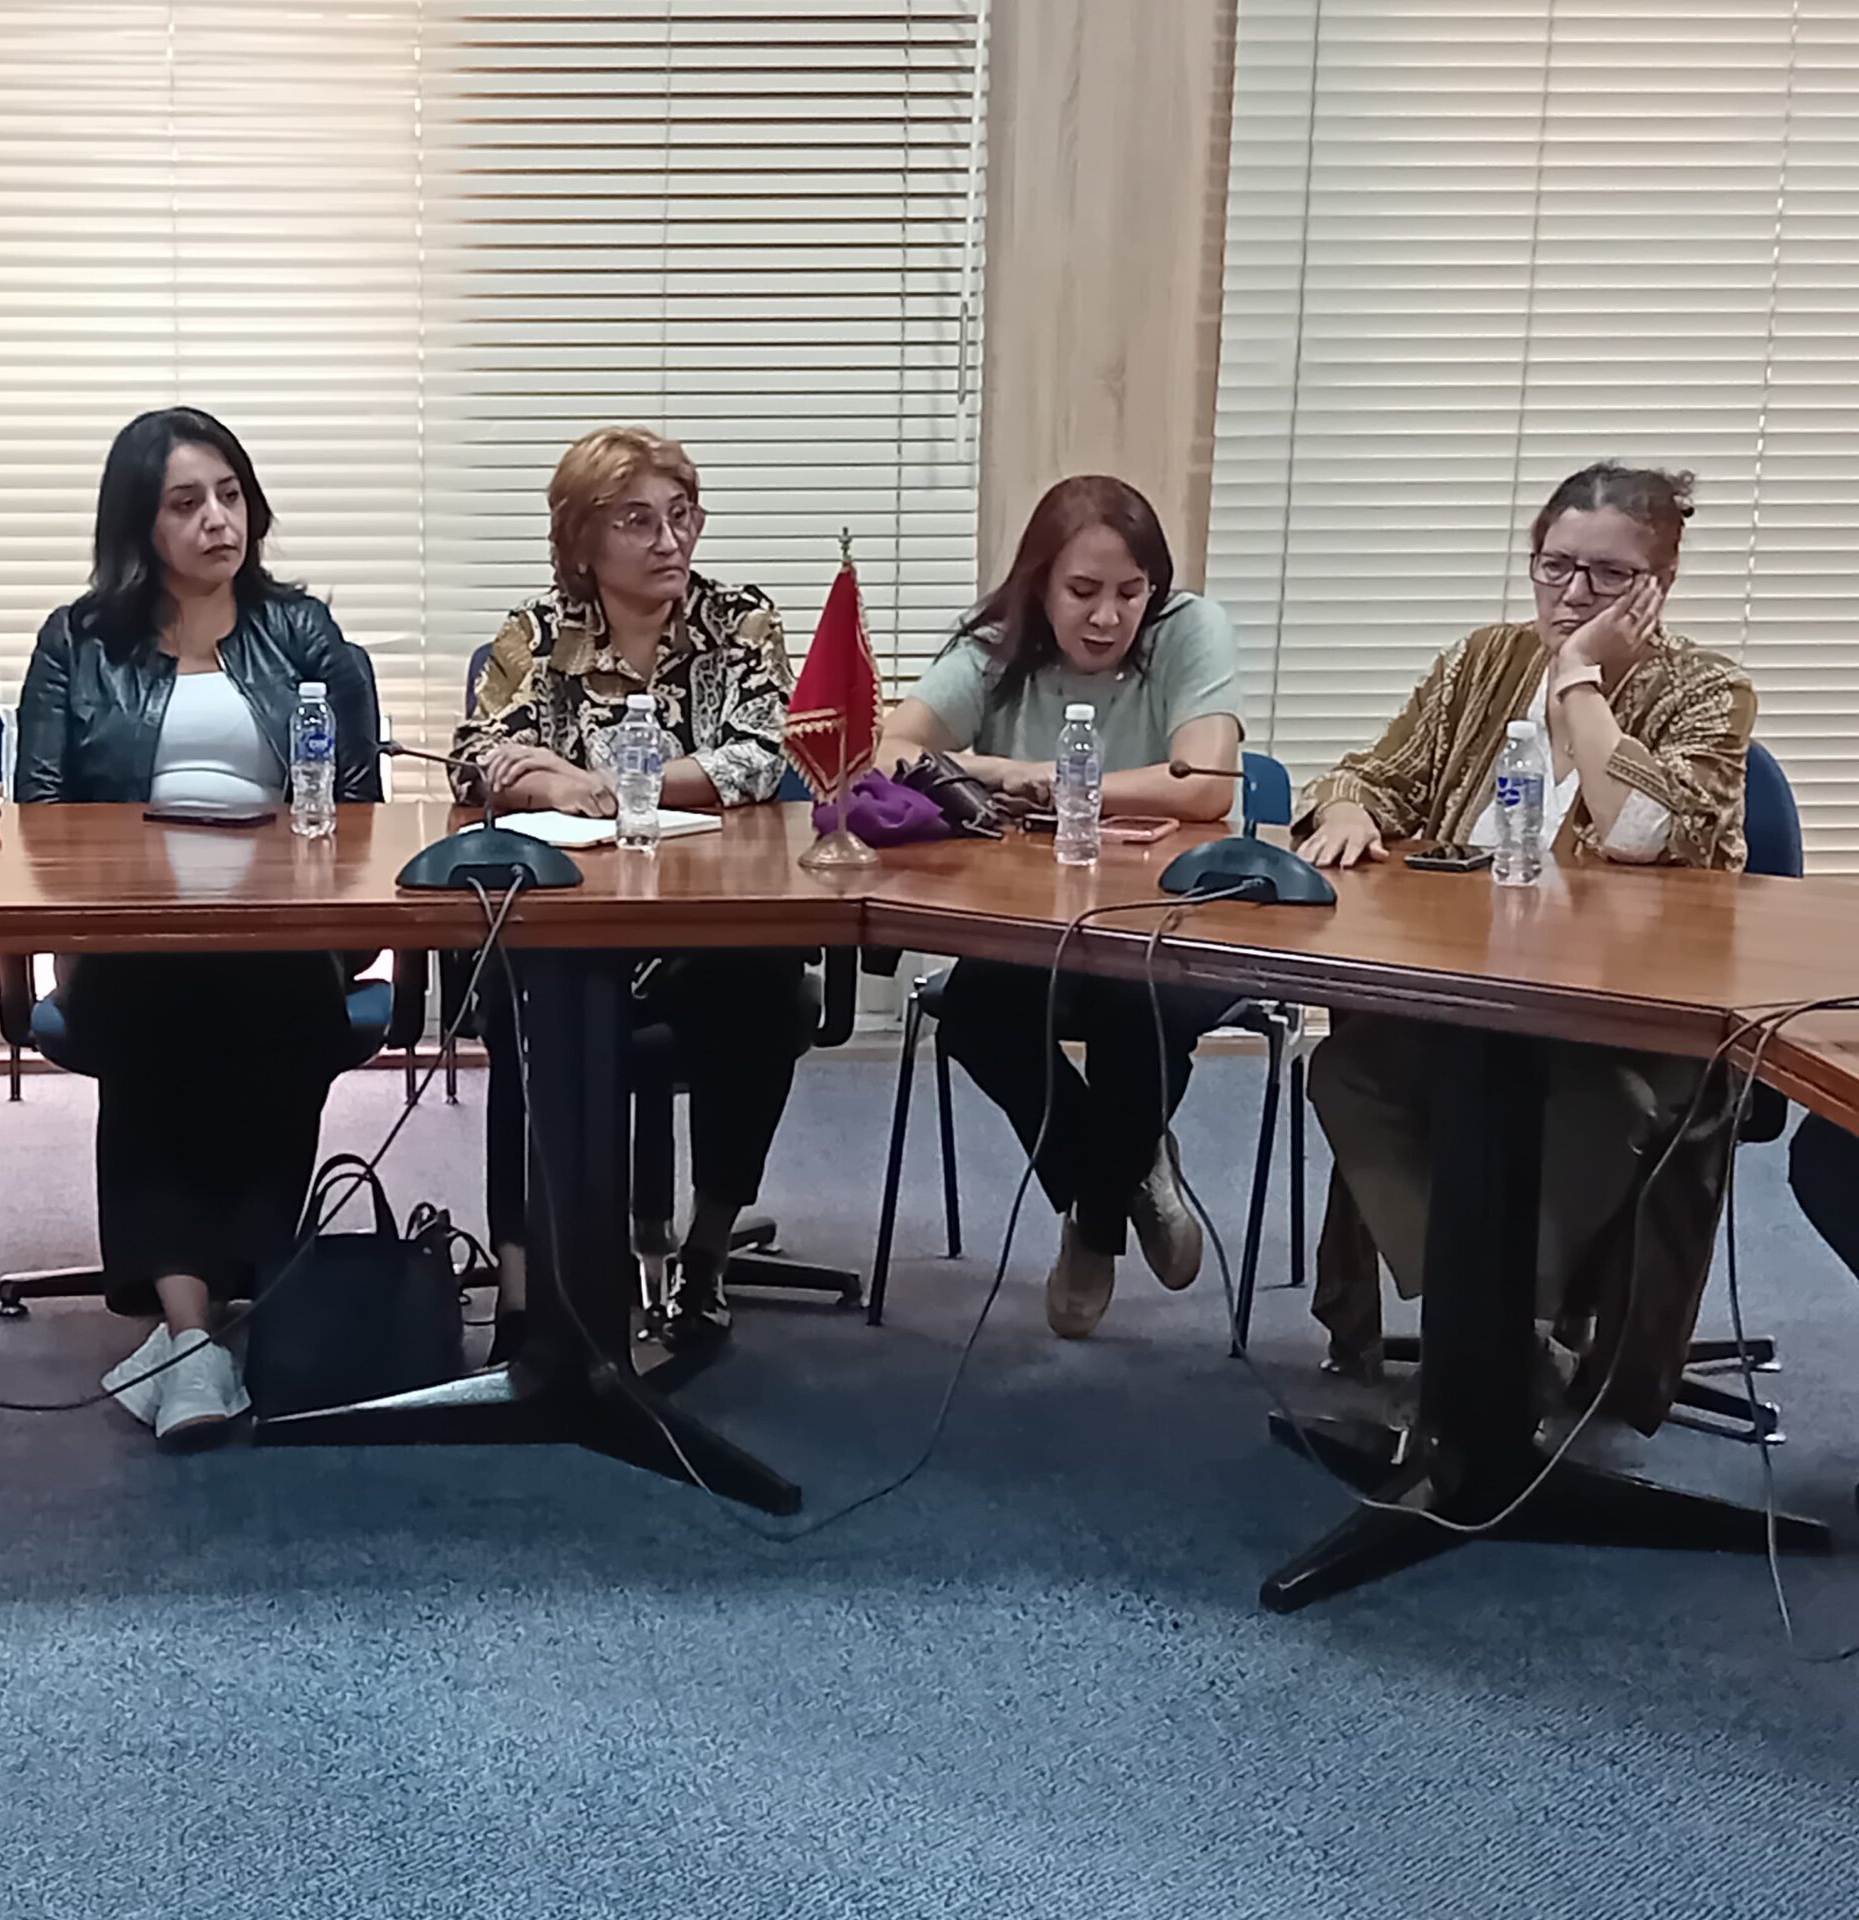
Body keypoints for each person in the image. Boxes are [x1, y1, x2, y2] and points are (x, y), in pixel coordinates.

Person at [1293, 463, 1755, 1427]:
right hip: (1471, 1000)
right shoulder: (1484, 663)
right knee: (1349, 1074)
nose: (1574, 593)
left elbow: (1641, 831)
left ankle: (1500, 1340)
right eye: (1556, 566)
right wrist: (1346, 808)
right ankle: (1503, 1337)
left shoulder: (1709, 693)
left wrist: (1580, 677)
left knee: (1593, 1105)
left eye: (1610, 575)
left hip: (1625, 1024)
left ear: (1661, 584)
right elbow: (1377, 773)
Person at [15, 406, 381, 1447]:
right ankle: (188, 1335)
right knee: (156, 1011)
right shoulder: (78, 641)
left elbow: (358, 810)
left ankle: (234, 1309)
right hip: (128, 935)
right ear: (139, 524)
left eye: (230, 496)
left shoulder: (302, 633)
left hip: (280, 933)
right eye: (186, 503)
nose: (218, 520)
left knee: (277, 1006)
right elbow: (38, 814)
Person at [452, 425, 801, 1355]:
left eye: (683, 516)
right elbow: (477, 756)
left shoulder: (741, 622)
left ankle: (707, 1255)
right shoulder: (536, 633)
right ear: (582, 539)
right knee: (521, 1004)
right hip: (573, 923)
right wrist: (552, 788)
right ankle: (524, 1287)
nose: (670, 540)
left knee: (768, 990)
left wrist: (598, 776)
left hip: (708, 931)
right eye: (638, 521)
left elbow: (762, 757)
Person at [876, 476, 1243, 1338]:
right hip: (1031, 926)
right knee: (974, 1016)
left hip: (1170, 922)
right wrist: (977, 771)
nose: (1108, 617)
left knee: (1135, 1009)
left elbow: (1208, 783)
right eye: (1082, 591)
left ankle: (1092, 1226)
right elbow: (892, 750)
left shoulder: (1188, 629)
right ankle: (1122, 1173)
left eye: (1129, 592)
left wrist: (1034, 775)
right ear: (1040, 584)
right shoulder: (994, 646)